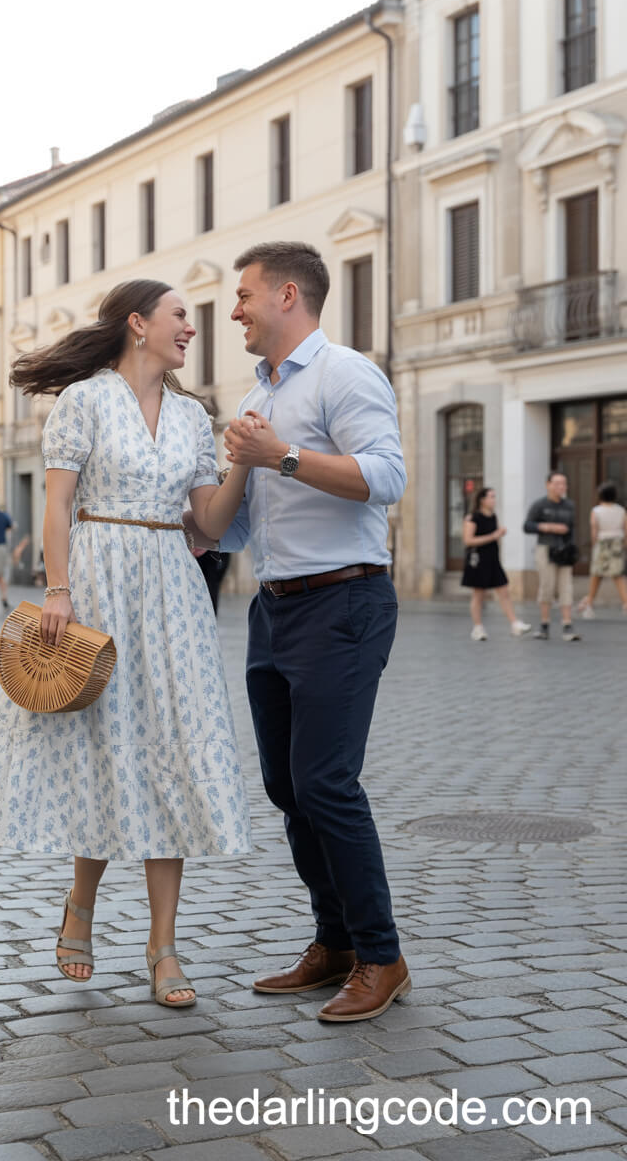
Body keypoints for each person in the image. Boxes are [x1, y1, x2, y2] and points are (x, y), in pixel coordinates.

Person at [0, 279, 252, 1008]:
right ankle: (81, 904)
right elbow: (57, 504)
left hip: (173, 588)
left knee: (173, 751)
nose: (190, 328)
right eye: (180, 315)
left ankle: (163, 947)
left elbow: (207, 524)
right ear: (138, 323)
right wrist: (59, 588)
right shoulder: (84, 400)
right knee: (103, 748)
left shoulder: (192, 415)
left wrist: (244, 459)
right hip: (97, 579)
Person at [187, 241, 410, 1023]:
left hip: (344, 602)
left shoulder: (345, 373)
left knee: (325, 782)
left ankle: (382, 956)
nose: (236, 310)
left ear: (287, 295)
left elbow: (387, 476)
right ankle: (336, 944)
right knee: (287, 785)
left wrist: (280, 456)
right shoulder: (259, 395)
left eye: (244, 296)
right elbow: (236, 532)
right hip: (275, 608)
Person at [461, 487, 531, 640]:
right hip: (478, 560)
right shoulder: (472, 518)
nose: (494, 500)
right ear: (482, 499)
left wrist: (498, 535)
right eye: (491, 497)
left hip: (493, 559)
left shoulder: (493, 516)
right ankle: (478, 628)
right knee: (478, 595)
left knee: (504, 592)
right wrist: (494, 535)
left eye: (494, 496)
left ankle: (515, 624)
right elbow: (468, 540)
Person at [523, 471, 580, 641]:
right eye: (557, 483)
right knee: (547, 586)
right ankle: (544, 624)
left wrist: (572, 548)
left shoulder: (569, 505)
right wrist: (548, 527)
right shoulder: (539, 505)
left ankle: (567, 625)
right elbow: (527, 526)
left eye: (563, 483)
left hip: (565, 550)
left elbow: (572, 527)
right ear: (548, 484)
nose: (561, 487)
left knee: (566, 587)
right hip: (546, 548)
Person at [578, 482, 627, 618]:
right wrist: (624, 543)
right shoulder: (621, 510)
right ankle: (626, 603)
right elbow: (625, 529)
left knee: (596, 574)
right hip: (617, 543)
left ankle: (589, 604)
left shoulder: (596, 511)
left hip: (602, 543)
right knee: (618, 575)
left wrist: (594, 544)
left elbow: (594, 530)